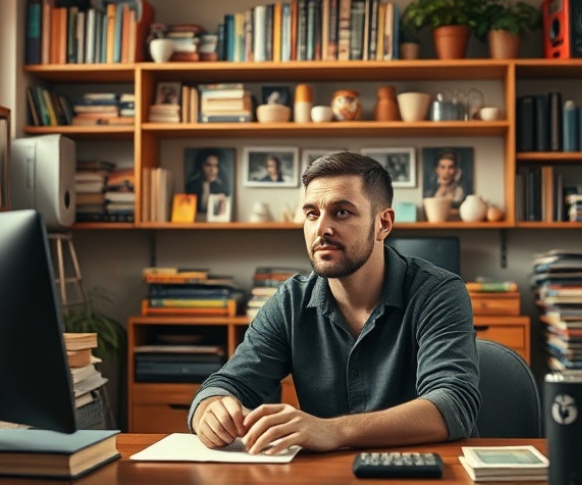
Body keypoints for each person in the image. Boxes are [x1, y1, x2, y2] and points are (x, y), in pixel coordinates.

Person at [188, 151, 479, 455]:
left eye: (341, 212)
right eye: (312, 214)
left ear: (383, 224)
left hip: (429, 471)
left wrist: (332, 430)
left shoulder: (438, 292)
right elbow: (226, 384)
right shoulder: (290, 302)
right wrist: (211, 410)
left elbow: (454, 403)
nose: (321, 229)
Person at [185, 149, 228, 214]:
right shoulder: (191, 186)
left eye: (215, 166)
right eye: (208, 165)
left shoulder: (222, 188)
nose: (212, 170)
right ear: (200, 166)